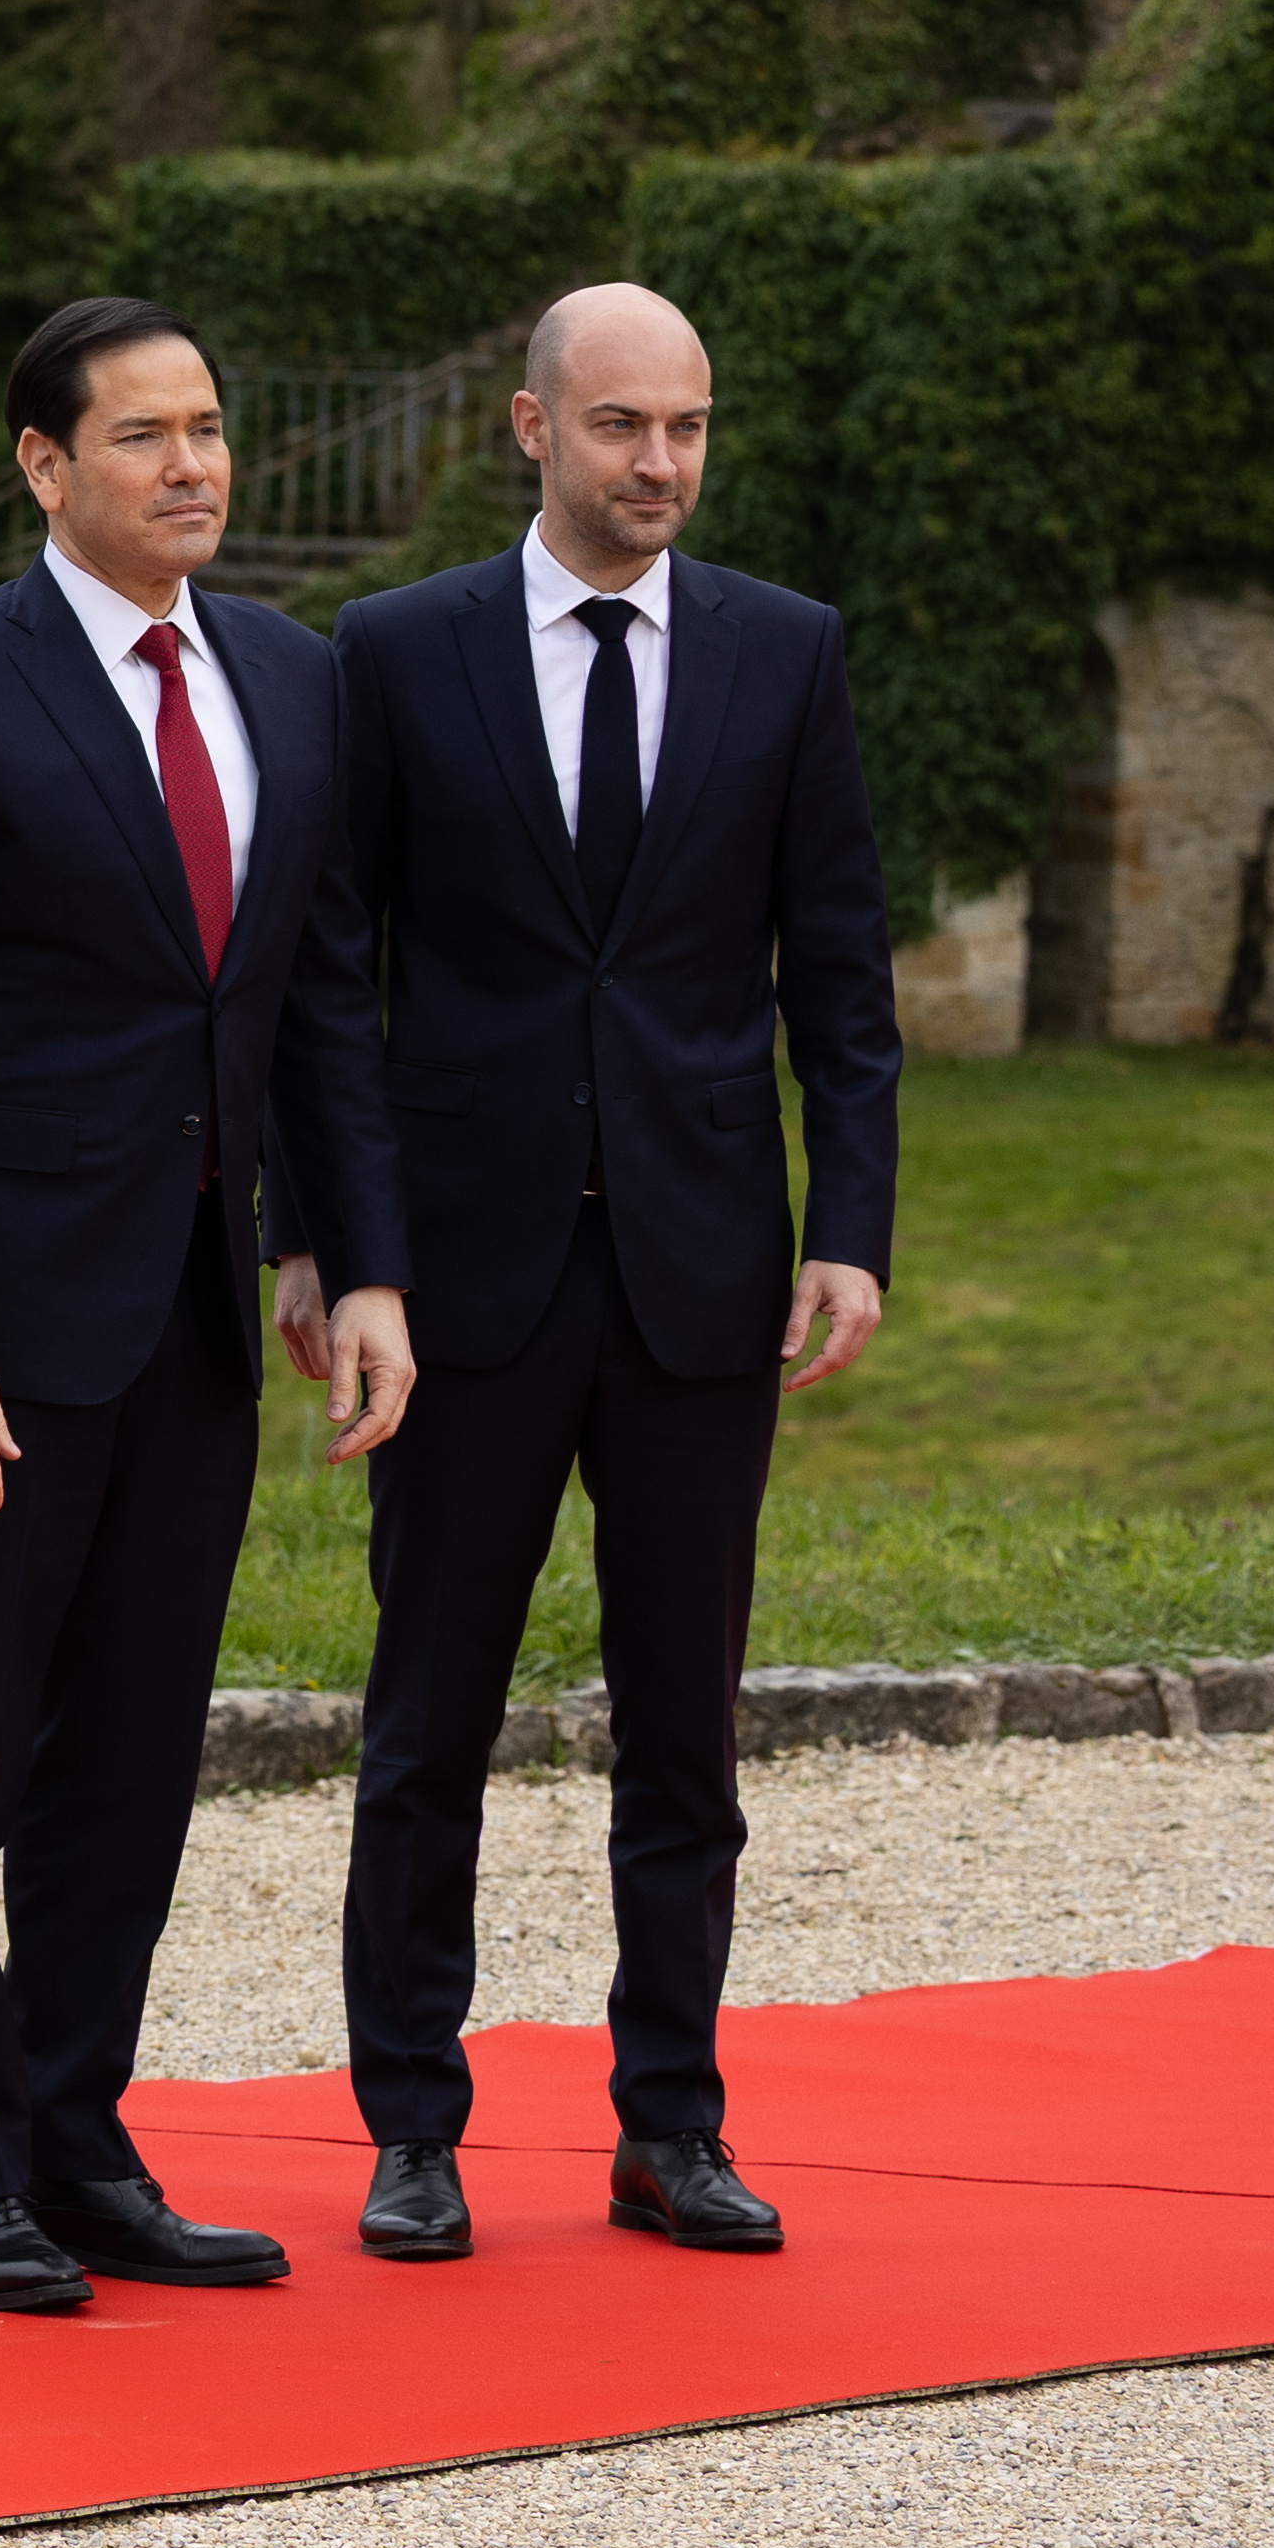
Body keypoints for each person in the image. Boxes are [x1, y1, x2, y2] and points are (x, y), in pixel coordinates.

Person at [0, 295, 415, 2314]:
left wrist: (351, 1254)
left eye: (209, 427)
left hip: (199, 1320)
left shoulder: (293, 679)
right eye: (143, 434)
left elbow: (313, 999)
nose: (193, 464)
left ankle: (77, 2144)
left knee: (133, 1760)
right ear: (45, 465)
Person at [277, 280, 898, 2264]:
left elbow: (843, 978)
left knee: (686, 1734)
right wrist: (324, 1238)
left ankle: (672, 2125)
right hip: (459, 1281)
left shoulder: (786, 652)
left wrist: (852, 1226)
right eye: (622, 424)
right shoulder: (398, 651)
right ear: (532, 427)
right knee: (427, 1726)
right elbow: (326, 972)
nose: (660, 461)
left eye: (687, 426)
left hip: (703, 1271)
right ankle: (412, 2130)